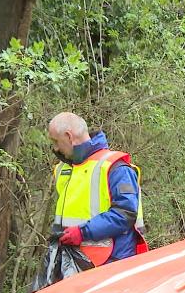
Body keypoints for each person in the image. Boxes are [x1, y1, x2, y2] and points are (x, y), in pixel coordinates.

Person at [48, 112, 146, 266]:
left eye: (55, 141)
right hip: (75, 261)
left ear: (69, 137)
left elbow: (125, 214)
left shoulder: (116, 167)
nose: (55, 148)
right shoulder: (64, 169)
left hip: (113, 261)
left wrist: (82, 232)